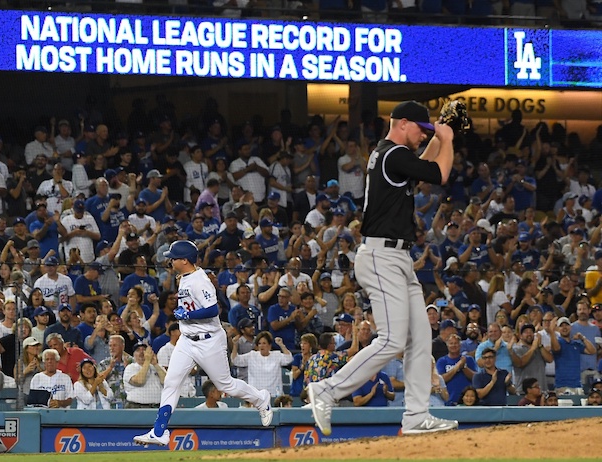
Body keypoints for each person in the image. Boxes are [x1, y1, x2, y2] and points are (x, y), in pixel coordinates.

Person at [307, 101, 457, 435]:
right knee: (391, 340)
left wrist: (442, 128)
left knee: (420, 337)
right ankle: (327, 389)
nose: (424, 136)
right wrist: (447, 138)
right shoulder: (392, 154)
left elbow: (422, 163)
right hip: (381, 256)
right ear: (403, 123)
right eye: (421, 130)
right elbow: (439, 173)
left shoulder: (392, 155)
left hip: (397, 257)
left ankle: (417, 416)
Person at [133, 240, 274, 446]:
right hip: (187, 341)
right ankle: (159, 431)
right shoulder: (184, 277)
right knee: (171, 383)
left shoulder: (200, 280)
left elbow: (213, 310)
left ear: (184, 260)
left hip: (208, 342)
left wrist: (188, 314)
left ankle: (261, 398)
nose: (170, 260)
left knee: (226, 385)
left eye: (174, 257)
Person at [231, 331, 293, 396]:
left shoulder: (276, 355)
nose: (261, 346)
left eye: (264, 343)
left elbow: (289, 359)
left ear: (269, 345)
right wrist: (235, 345)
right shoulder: (252, 355)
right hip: (256, 395)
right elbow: (235, 360)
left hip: (274, 394)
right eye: (259, 343)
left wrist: (281, 345)